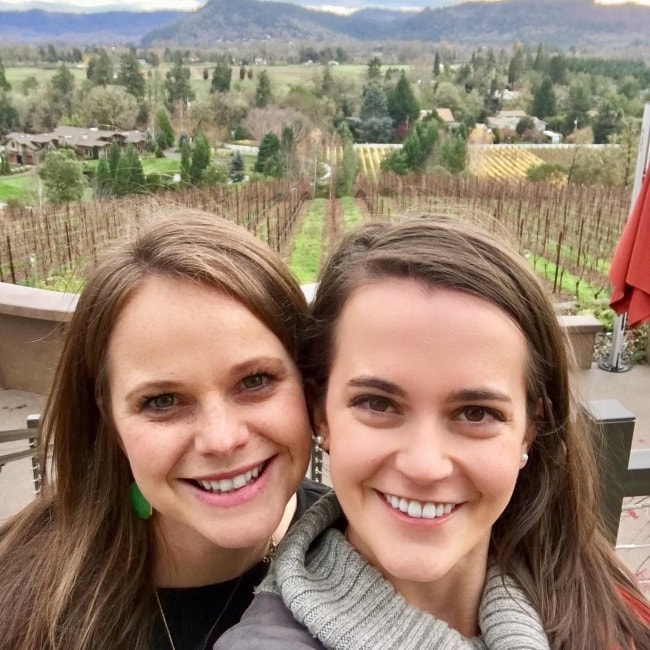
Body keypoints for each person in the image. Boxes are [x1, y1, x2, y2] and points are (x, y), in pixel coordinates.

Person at [218, 215, 650, 650]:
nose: (424, 466)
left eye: (476, 413)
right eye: (377, 404)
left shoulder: (605, 598)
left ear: (529, 431)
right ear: (321, 416)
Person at [0, 210, 328, 650]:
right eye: (162, 401)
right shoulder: (20, 605)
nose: (221, 439)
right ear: (110, 418)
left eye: (255, 381)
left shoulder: (377, 562)